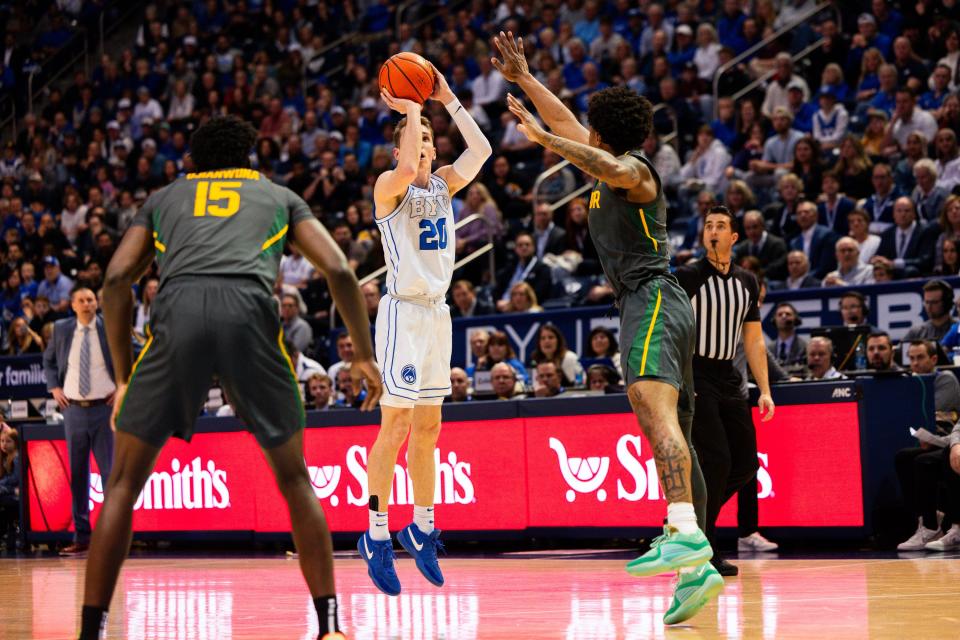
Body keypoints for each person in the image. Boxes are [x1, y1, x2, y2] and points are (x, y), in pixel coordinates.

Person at [78, 116, 382, 640]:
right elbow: (338, 270)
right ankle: (330, 624)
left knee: (123, 485)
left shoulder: (163, 197)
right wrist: (364, 356)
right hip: (249, 312)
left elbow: (114, 279)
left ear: (192, 161)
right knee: (294, 480)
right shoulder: (279, 195)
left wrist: (125, 376)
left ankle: (91, 631)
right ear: (250, 158)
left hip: (179, 313)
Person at [495, 31, 720, 625]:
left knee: (653, 412)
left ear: (601, 134)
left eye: (583, 132)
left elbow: (599, 157)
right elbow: (571, 128)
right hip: (652, 305)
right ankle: (696, 568)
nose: (576, 135)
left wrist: (545, 141)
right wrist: (523, 79)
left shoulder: (636, 172)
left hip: (651, 300)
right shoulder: (603, 162)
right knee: (676, 433)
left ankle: (688, 536)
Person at [359, 62, 491, 597]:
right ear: (401, 151)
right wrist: (412, 106)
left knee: (430, 427)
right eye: (418, 141)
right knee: (394, 425)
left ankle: (422, 524)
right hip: (403, 314)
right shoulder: (389, 186)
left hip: (438, 313)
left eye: (431, 142)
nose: (426, 148)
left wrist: (449, 99)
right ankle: (374, 533)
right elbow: (408, 155)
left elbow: (480, 152)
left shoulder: (443, 185)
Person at [675, 206, 775, 577]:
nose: (713, 231)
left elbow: (754, 340)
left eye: (721, 226)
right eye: (708, 226)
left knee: (746, 465)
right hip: (696, 373)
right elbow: (673, 331)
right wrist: (682, 381)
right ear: (704, 236)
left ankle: (692, 524)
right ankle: (706, 547)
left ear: (734, 237)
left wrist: (764, 389)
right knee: (716, 460)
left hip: (730, 377)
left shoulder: (747, 282)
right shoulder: (686, 276)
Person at [42, 287, 116, 558]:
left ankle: (112, 537)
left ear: (97, 303)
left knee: (110, 475)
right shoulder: (61, 329)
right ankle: (82, 537)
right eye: (82, 301)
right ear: (72, 305)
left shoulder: (109, 327)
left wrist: (122, 386)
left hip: (103, 410)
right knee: (78, 475)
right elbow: (48, 361)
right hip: (73, 410)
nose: (87, 304)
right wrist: (54, 388)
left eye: (91, 300)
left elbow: (131, 357)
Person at [895, 340, 960, 551]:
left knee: (926, 461)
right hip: (938, 441)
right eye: (911, 359)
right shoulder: (908, 382)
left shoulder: (946, 380)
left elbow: (932, 413)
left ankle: (939, 524)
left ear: (933, 359)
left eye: (920, 357)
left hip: (945, 439)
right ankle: (925, 520)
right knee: (904, 456)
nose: (915, 363)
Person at [768, 302, 807, 367]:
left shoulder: (804, 347)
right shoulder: (769, 349)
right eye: (780, 314)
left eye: (788, 314)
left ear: (795, 319)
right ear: (774, 320)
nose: (784, 316)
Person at [0, 426, 20, 550]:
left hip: (16, 495)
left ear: (15, 443)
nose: (4, 444)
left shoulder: (17, 458)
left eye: (8, 441)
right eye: (2, 441)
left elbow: (15, 479)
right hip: (9, 492)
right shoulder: (4, 458)